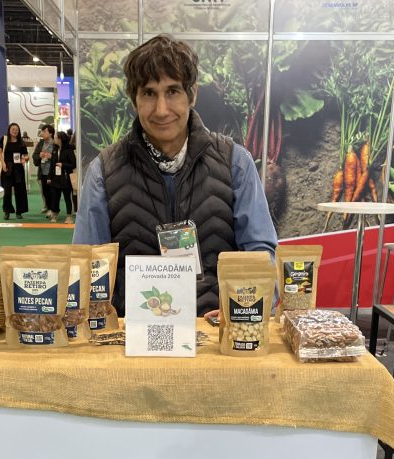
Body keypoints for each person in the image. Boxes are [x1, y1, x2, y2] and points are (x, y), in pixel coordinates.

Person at [72, 34, 277, 315]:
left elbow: (260, 254)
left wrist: (242, 308)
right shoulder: (103, 171)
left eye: (172, 92)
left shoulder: (235, 162)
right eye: (149, 93)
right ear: (134, 99)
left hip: (211, 330)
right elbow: (86, 264)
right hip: (133, 332)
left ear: (192, 94)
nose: (161, 110)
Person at [0, 122, 28, 220]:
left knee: (20, 191)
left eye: (17, 130)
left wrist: (25, 159)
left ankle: (19, 212)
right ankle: (7, 211)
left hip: (18, 169)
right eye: (13, 129)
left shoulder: (21, 142)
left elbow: (26, 155)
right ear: (9, 130)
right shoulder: (4, 139)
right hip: (7, 168)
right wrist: (3, 163)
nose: (15, 131)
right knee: (7, 191)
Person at [48, 130, 75, 224]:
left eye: (55, 137)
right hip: (55, 177)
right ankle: (54, 214)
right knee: (55, 197)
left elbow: (73, 164)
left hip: (66, 178)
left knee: (67, 197)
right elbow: (52, 164)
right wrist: (49, 177)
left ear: (60, 139)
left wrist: (63, 165)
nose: (54, 139)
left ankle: (69, 216)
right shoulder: (54, 149)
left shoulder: (69, 149)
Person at [32, 124, 55, 215]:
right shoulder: (40, 143)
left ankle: (53, 209)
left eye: (45, 131)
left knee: (53, 192)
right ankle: (48, 208)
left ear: (51, 133)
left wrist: (52, 157)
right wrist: (39, 155)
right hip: (42, 172)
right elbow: (34, 155)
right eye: (42, 131)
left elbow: (60, 156)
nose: (42, 133)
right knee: (45, 192)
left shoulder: (55, 143)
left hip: (53, 172)